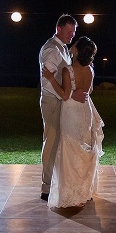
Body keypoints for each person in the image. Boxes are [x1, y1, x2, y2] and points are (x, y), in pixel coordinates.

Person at [41, 36, 104, 209]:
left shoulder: (68, 70)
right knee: (83, 147)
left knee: (69, 148)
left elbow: (64, 95)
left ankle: (70, 192)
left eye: (75, 45)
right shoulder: (90, 70)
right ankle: (85, 190)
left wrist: (50, 78)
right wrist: (78, 90)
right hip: (85, 111)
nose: (72, 45)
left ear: (76, 51)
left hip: (71, 112)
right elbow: (89, 90)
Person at [38, 14, 87, 201]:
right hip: (52, 101)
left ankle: (57, 183)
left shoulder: (63, 49)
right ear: (58, 29)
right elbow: (47, 82)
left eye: (74, 32)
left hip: (61, 101)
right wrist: (69, 94)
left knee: (59, 143)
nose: (72, 35)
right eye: (69, 31)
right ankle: (46, 188)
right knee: (51, 142)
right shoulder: (51, 49)